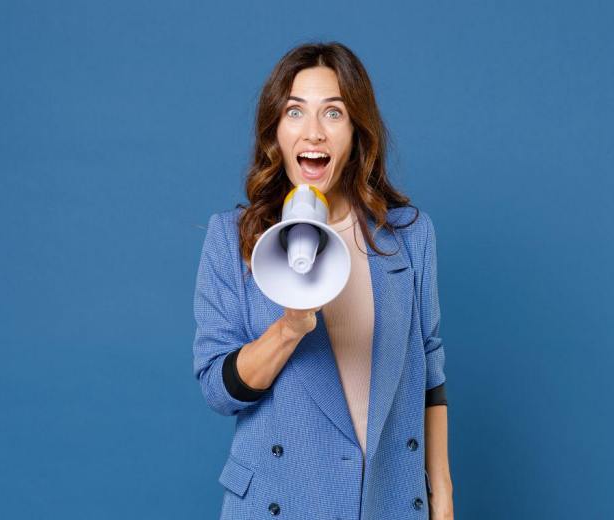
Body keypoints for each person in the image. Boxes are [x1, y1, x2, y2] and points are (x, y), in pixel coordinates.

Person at [193, 41, 454, 520]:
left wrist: (442, 498)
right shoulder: (233, 239)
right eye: (295, 112)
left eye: (333, 113)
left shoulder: (410, 236)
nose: (313, 132)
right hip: (280, 501)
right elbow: (217, 388)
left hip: (388, 501)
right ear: (276, 129)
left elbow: (429, 375)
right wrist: (290, 327)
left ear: (356, 131)